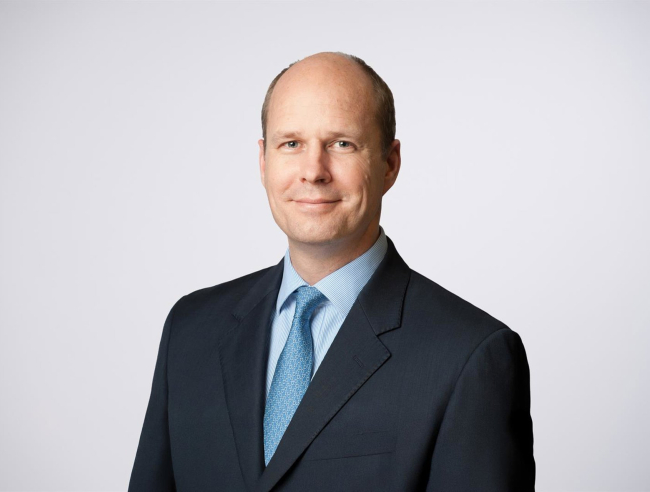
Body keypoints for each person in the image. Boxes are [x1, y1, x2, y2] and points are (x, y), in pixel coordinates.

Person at [128, 51, 535, 491]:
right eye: (291, 144)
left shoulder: (469, 356)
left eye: (342, 144)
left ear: (389, 163)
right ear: (263, 162)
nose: (313, 172)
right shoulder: (191, 330)